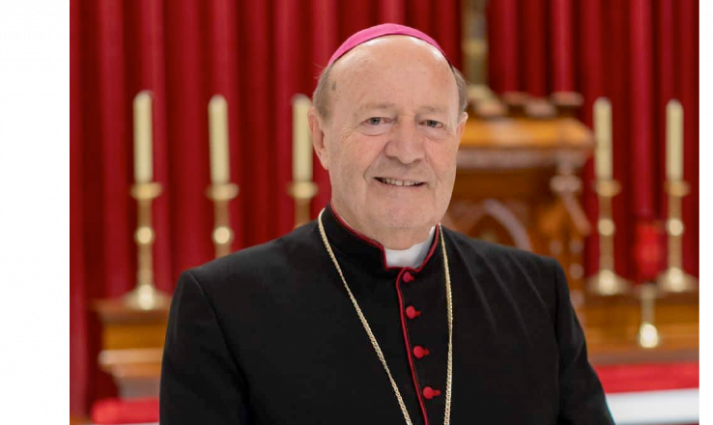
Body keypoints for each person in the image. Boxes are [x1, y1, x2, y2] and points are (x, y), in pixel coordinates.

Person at [160, 23, 615, 425]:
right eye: (377, 120)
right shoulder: (223, 305)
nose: (407, 150)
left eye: (431, 123)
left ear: (457, 136)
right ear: (321, 137)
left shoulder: (536, 291)